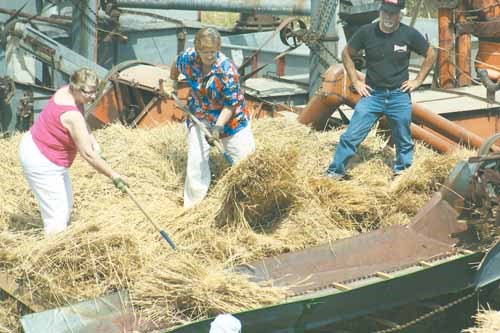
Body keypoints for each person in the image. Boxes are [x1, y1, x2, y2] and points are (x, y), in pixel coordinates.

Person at [325, 0, 437, 179]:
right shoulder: (366, 32)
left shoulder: (409, 34)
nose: (388, 17)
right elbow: (346, 54)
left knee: (403, 139)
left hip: (398, 96)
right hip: (373, 95)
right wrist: (356, 81)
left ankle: (403, 173)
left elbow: (431, 54)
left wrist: (417, 80)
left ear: (399, 14)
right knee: (351, 136)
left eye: (393, 13)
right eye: (385, 12)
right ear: (380, 12)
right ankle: (335, 173)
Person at [19, 68, 128, 236]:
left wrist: (95, 144)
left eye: (95, 92)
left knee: (66, 205)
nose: (93, 97)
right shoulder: (71, 114)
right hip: (41, 160)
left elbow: (83, 122)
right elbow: (87, 154)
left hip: (45, 150)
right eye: (89, 92)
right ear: (76, 87)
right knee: (57, 217)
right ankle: (52, 255)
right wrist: (114, 176)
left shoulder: (68, 92)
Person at [164, 27, 256, 208]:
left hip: (231, 120)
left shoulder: (227, 70)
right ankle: (194, 205)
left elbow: (231, 104)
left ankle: (249, 202)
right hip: (200, 114)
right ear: (197, 50)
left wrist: (218, 127)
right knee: (196, 160)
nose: (208, 56)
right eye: (204, 52)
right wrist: (172, 81)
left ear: (218, 49)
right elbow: (176, 63)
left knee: (245, 162)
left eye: (212, 52)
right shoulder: (189, 58)